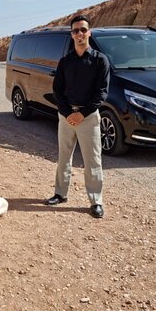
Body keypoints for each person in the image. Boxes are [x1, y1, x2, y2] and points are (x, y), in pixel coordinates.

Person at [45, 15, 110, 218]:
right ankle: (60, 193)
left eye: (83, 30)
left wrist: (81, 114)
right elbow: (58, 90)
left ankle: (96, 200)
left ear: (89, 32)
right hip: (66, 117)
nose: (80, 34)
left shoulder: (100, 60)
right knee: (64, 157)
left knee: (92, 160)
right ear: (71, 35)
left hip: (88, 117)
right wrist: (67, 113)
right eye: (75, 31)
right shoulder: (65, 62)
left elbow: (102, 93)